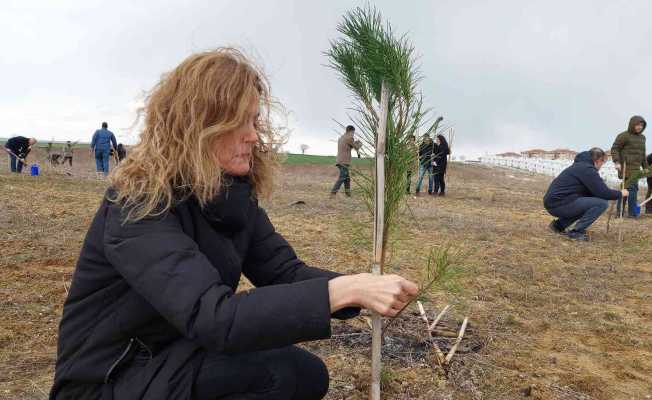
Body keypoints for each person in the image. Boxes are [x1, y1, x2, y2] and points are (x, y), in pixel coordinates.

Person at [50, 48, 418, 400]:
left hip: (175, 352)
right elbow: (215, 316)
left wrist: (362, 289)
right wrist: (344, 291)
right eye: (238, 122)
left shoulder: (231, 198)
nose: (253, 136)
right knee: (281, 373)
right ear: (199, 125)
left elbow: (285, 271)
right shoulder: (138, 204)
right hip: (111, 379)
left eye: (253, 120)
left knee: (301, 375)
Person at [543, 148, 627, 241]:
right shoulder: (587, 169)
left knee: (587, 204)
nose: (601, 166)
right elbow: (603, 193)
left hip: (555, 202)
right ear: (599, 160)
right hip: (559, 203)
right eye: (602, 163)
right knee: (601, 203)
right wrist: (620, 193)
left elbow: (595, 191)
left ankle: (558, 226)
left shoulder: (580, 166)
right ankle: (576, 232)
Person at [611, 115, 647, 218]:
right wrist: (617, 162)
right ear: (632, 125)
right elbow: (615, 148)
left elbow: (642, 154)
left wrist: (645, 167)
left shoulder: (642, 138)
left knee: (626, 188)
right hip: (625, 167)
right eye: (637, 125)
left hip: (636, 168)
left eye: (642, 125)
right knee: (633, 189)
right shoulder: (624, 136)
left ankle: (619, 212)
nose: (639, 127)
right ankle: (632, 213)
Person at [330, 125, 362, 197]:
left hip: (340, 160)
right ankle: (333, 192)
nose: (353, 134)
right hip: (344, 161)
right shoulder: (349, 138)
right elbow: (356, 147)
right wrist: (359, 144)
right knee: (342, 177)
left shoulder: (341, 138)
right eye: (353, 132)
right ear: (351, 131)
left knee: (347, 178)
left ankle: (348, 194)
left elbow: (347, 147)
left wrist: (354, 143)